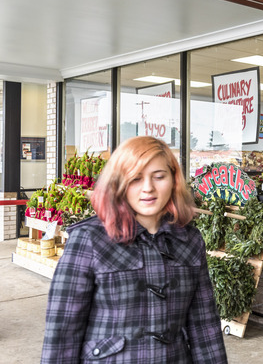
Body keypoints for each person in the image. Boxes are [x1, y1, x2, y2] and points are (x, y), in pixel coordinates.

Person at [41, 136, 228, 363]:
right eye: (135, 179)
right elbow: (62, 330)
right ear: (119, 183)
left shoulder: (190, 240)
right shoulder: (89, 239)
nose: (148, 188)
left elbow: (204, 324)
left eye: (159, 177)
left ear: (174, 180)